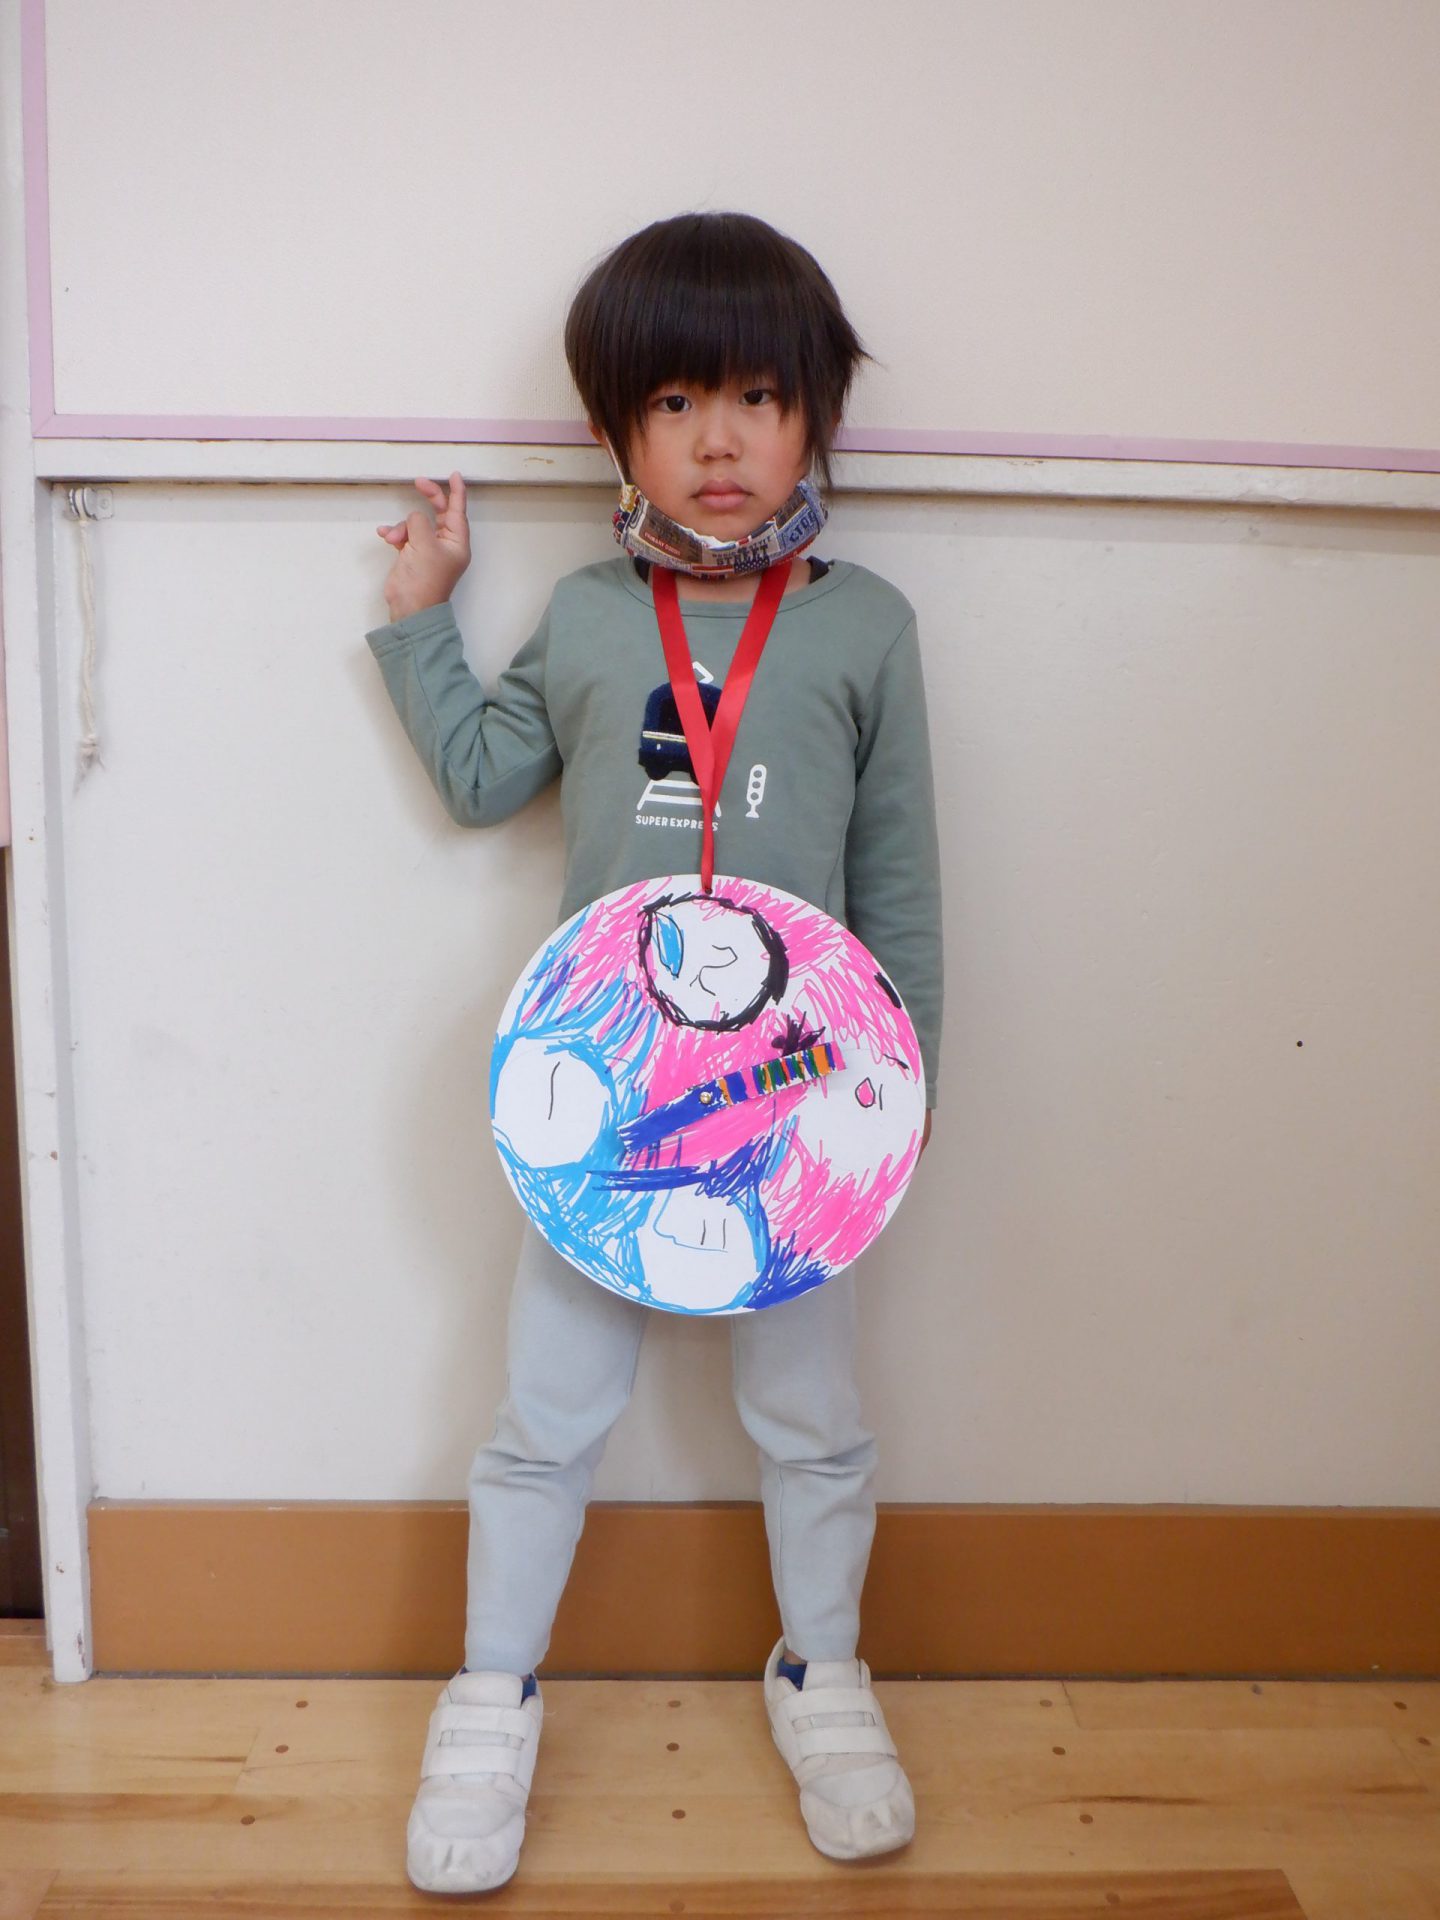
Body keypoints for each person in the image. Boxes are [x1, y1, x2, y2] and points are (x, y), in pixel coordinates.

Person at [366, 210, 943, 1895]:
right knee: (544, 1414)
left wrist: (899, 1100)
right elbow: (484, 777)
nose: (718, 440)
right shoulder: (590, 614)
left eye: (758, 397)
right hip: (605, 1106)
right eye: (676, 401)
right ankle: (491, 1694)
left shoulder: (867, 627)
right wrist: (423, 616)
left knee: (811, 1415)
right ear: (616, 428)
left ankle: (822, 1671)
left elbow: (900, 884)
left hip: (800, 1110)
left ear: (814, 415)